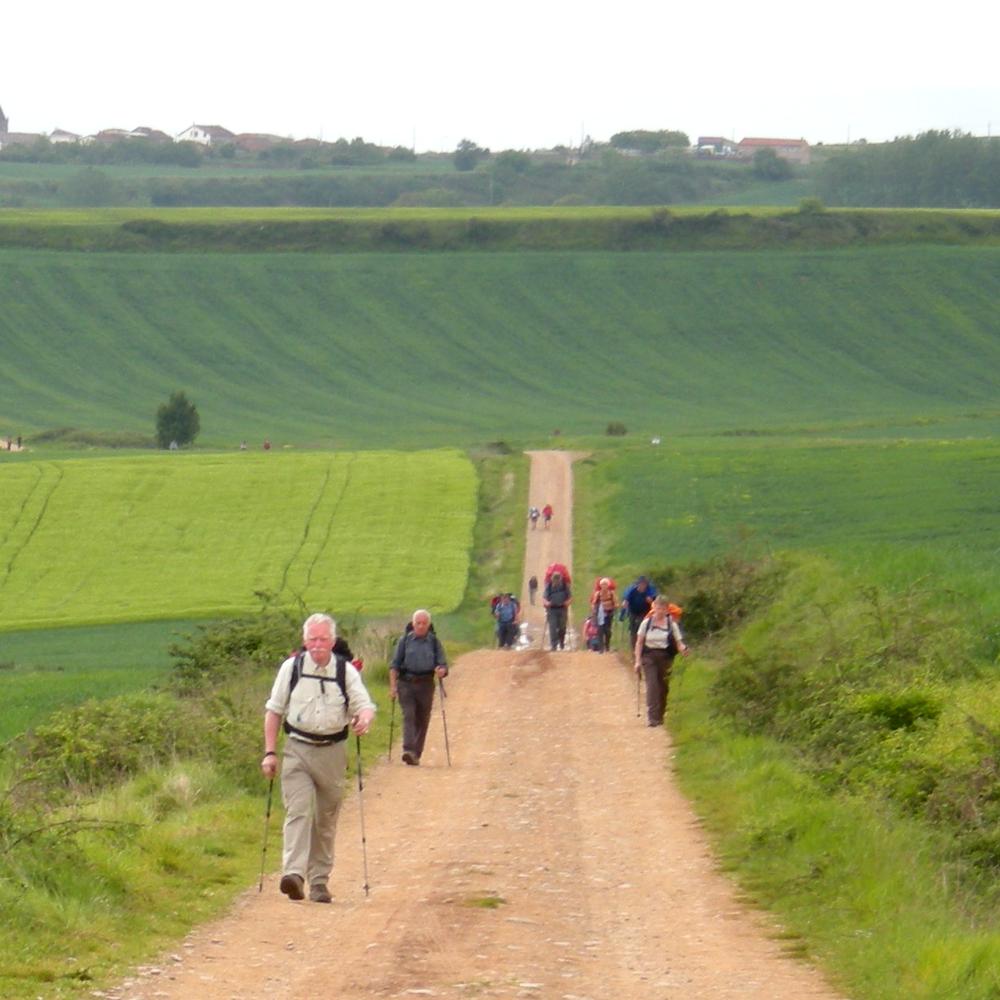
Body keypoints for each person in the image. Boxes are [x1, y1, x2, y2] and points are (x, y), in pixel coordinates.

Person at [262, 613, 376, 903]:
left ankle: (319, 881)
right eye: (312, 639)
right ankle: (294, 874)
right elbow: (274, 711)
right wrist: (270, 752)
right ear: (304, 641)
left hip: (333, 752)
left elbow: (365, 705)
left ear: (332, 641)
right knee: (298, 810)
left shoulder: (345, 671)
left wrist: (364, 719)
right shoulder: (292, 669)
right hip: (297, 749)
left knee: (325, 818)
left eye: (323, 639)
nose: (317, 645)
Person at [389, 609, 448, 766]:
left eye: (424, 623)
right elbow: (394, 666)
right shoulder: (405, 641)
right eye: (418, 623)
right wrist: (393, 686)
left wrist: (441, 670)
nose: (421, 626)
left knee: (423, 719)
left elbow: (442, 663)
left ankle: (416, 753)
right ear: (413, 624)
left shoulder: (434, 642)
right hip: (406, 683)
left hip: (426, 684)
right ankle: (408, 750)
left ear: (428, 625)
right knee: (409, 715)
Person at [633, 596, 688, 727]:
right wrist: (637, 661)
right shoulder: (646, 623)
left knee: (663, 687)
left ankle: (660, 714)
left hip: (665, 657)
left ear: (667, 610)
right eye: (658, 607)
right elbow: (639, 643)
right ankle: (653, 717)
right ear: (654, 608)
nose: (660, 611)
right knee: (652, 685)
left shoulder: (671, 624)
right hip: (649, 656)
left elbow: (678, 642)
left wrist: (683, 649)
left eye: (663, 608)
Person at [621, 575, 658, 650]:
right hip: (633, 611)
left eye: (644, 584)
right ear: (637, 584)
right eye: (641, 584)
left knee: (642, 627)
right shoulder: (632, 590)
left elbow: (654, 601)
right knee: (633, 630)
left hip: (644, 612)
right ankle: (634, 650)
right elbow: (626, 599)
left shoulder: (649, 591)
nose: (642, 586)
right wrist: (625, 604)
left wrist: (651, 601)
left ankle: (643, 649)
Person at [543, 570, 572, 650]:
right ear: (552, 579)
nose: (556, 581)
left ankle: (561, 641)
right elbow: (544, 598)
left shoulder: (564, 586)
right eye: (554, 579)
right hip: (552, 610)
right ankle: (554, 645)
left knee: (562, 627)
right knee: (553, 627)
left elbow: (570, 597)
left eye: (557, 579)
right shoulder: (548, 586)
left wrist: (567, 603)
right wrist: (547, 603)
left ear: (560, 579)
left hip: (562, 609)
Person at [590, 577, 618, 652]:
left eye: (605, 584)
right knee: (600, 630)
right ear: (600, 585)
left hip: (609, 613)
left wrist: (615, 606)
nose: (604, 586)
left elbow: (615, 602)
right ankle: (601, 648)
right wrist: (594, 609)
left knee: (607, 630)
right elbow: (594, 603)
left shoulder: (611, 593)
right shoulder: (598, 594)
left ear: (608, 585)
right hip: (600, 614)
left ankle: (607, 645)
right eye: (602, 584)